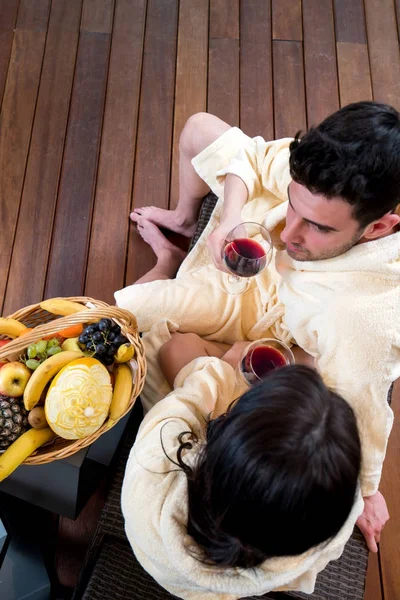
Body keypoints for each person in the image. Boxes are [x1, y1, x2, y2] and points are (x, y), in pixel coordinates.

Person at [116, 102, 398, 553]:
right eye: (293, 200)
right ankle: (183, 224)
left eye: (318, 228)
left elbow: (362, 405)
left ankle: (170, 267)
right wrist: (228, 218)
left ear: (379, 227)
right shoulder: (330, 172)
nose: (288, 233)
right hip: (258, 276)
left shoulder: (359, 321)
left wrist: (366, 489)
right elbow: (251, 158)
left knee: (162, 344)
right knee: (199, 127)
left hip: (276, 331)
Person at [121, 350, 363, 600]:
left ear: (226, 438)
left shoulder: (151, 470)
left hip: (161, 561)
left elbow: (184, 374)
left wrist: (224, 366)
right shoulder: (322, 538)